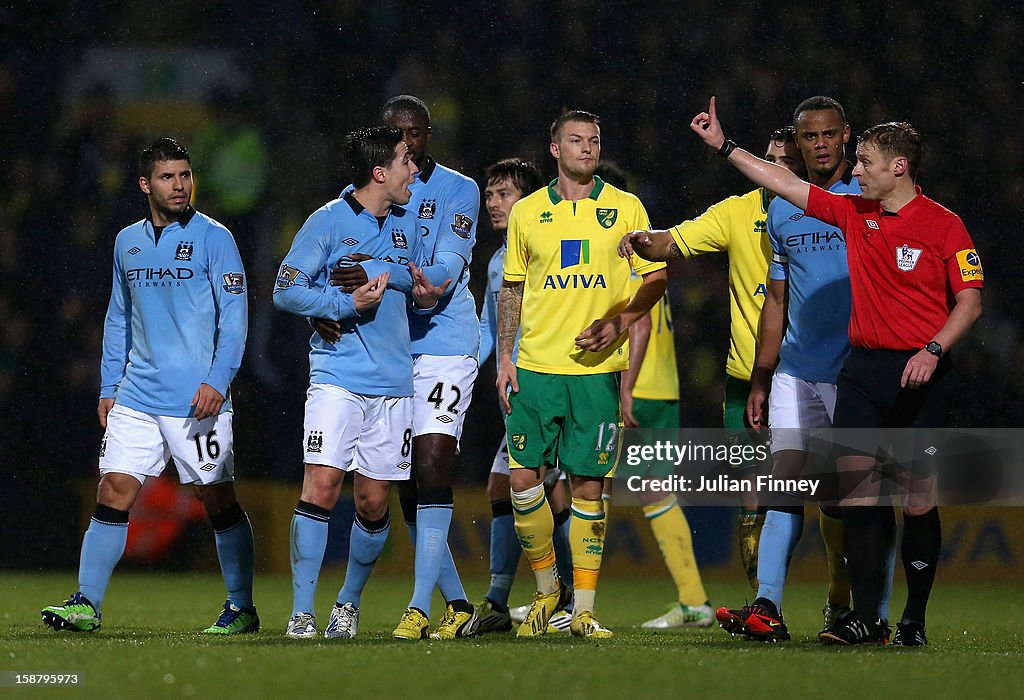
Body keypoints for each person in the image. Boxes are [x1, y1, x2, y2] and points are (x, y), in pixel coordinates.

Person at [690, 98, 984, 647]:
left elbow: (970, 301)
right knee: (857, 498)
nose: (856, 170)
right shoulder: (854, 214)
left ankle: (912, 621)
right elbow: (784, 185)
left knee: (918, 499)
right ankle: (866, 618)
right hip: (863, 375)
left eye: (867, 161)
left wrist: (934, 349)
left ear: (898, 167)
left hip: (922, 373)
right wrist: (726, 148)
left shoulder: (945, 225)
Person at [41, 138, 257, 635]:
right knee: (114, 488)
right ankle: (86, 604)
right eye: (167, 177)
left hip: (197, 398)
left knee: (217, 499)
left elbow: (236, 317)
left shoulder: (215, 238)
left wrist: (218, 379)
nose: (179, 185)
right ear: (145, 184)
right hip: (137, 392)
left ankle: (241, 605)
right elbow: (119, 316)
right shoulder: (126, 242)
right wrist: (109, 383)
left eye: (185, 175)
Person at [617, 127, 808, 611]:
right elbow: (674, 241)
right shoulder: (737, 212)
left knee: (825, 498)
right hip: (748, 379)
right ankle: (766, 608)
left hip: (808, 378)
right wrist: (641, 240)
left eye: (785, 162)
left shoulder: (822, 212)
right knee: (752, 496)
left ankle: (843, 604)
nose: (773, 169)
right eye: (767, 159)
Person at [317, 96, 482, 640]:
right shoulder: (366, 197)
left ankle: (417, 606)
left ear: (430, 134)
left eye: (415, 133)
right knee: (400, 484)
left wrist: (375, 272)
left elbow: (440, 278)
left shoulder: (458, 190)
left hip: (444, 344)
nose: (407, 143)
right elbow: (335, 268)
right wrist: (327, 308)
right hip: (387, 348)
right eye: (395, 134)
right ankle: (457, 603)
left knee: (434, 460)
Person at [498, 110, 668, 639]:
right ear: (555, 149)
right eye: (576, 140)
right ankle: (549, 592)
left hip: (596, 373)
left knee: (589, 486)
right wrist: (505, 355)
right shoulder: (527, 213)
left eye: (594, 140)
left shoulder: (626, 209)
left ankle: (586, 611)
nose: (587, 148)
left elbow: (657, 276)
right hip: (535, 368)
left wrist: (621, 321)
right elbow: (512, 288)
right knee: (523, 480)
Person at [274, 125, 442, 639]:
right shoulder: (326, 223)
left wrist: (423, 295)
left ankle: (346, 604)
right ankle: (303, 610)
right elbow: (285, 289)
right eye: (405, 162)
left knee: (372, 502)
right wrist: (343, 305)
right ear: (379, 172)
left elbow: (415, 294)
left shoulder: (405, 224)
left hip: (393, 382)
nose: (414, 170)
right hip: (337, 377)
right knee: (321, 486)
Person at [712, 98, 866, 641]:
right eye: (810, 137)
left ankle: (848, 605)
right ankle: (768, 606)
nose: (820, 144)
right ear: (798, 143)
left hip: (855, 373)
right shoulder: (782, 207)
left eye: (829, 134)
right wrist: (762, 376)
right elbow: (775, 301)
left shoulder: (868, 198)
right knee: (785, 485)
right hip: (796, 372)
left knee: (846, 500)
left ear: (846, 136)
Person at [472, 158, 576, 634]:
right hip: (514, 398)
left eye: (504, 194)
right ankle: (559, 593)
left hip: (544, 390)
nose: (493, 203)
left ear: (531, 201)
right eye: (490, 195)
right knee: (536, 491)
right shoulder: (498, 260)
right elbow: (487, 334)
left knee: (525, 485)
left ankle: (537, 596)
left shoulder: (548, 252)